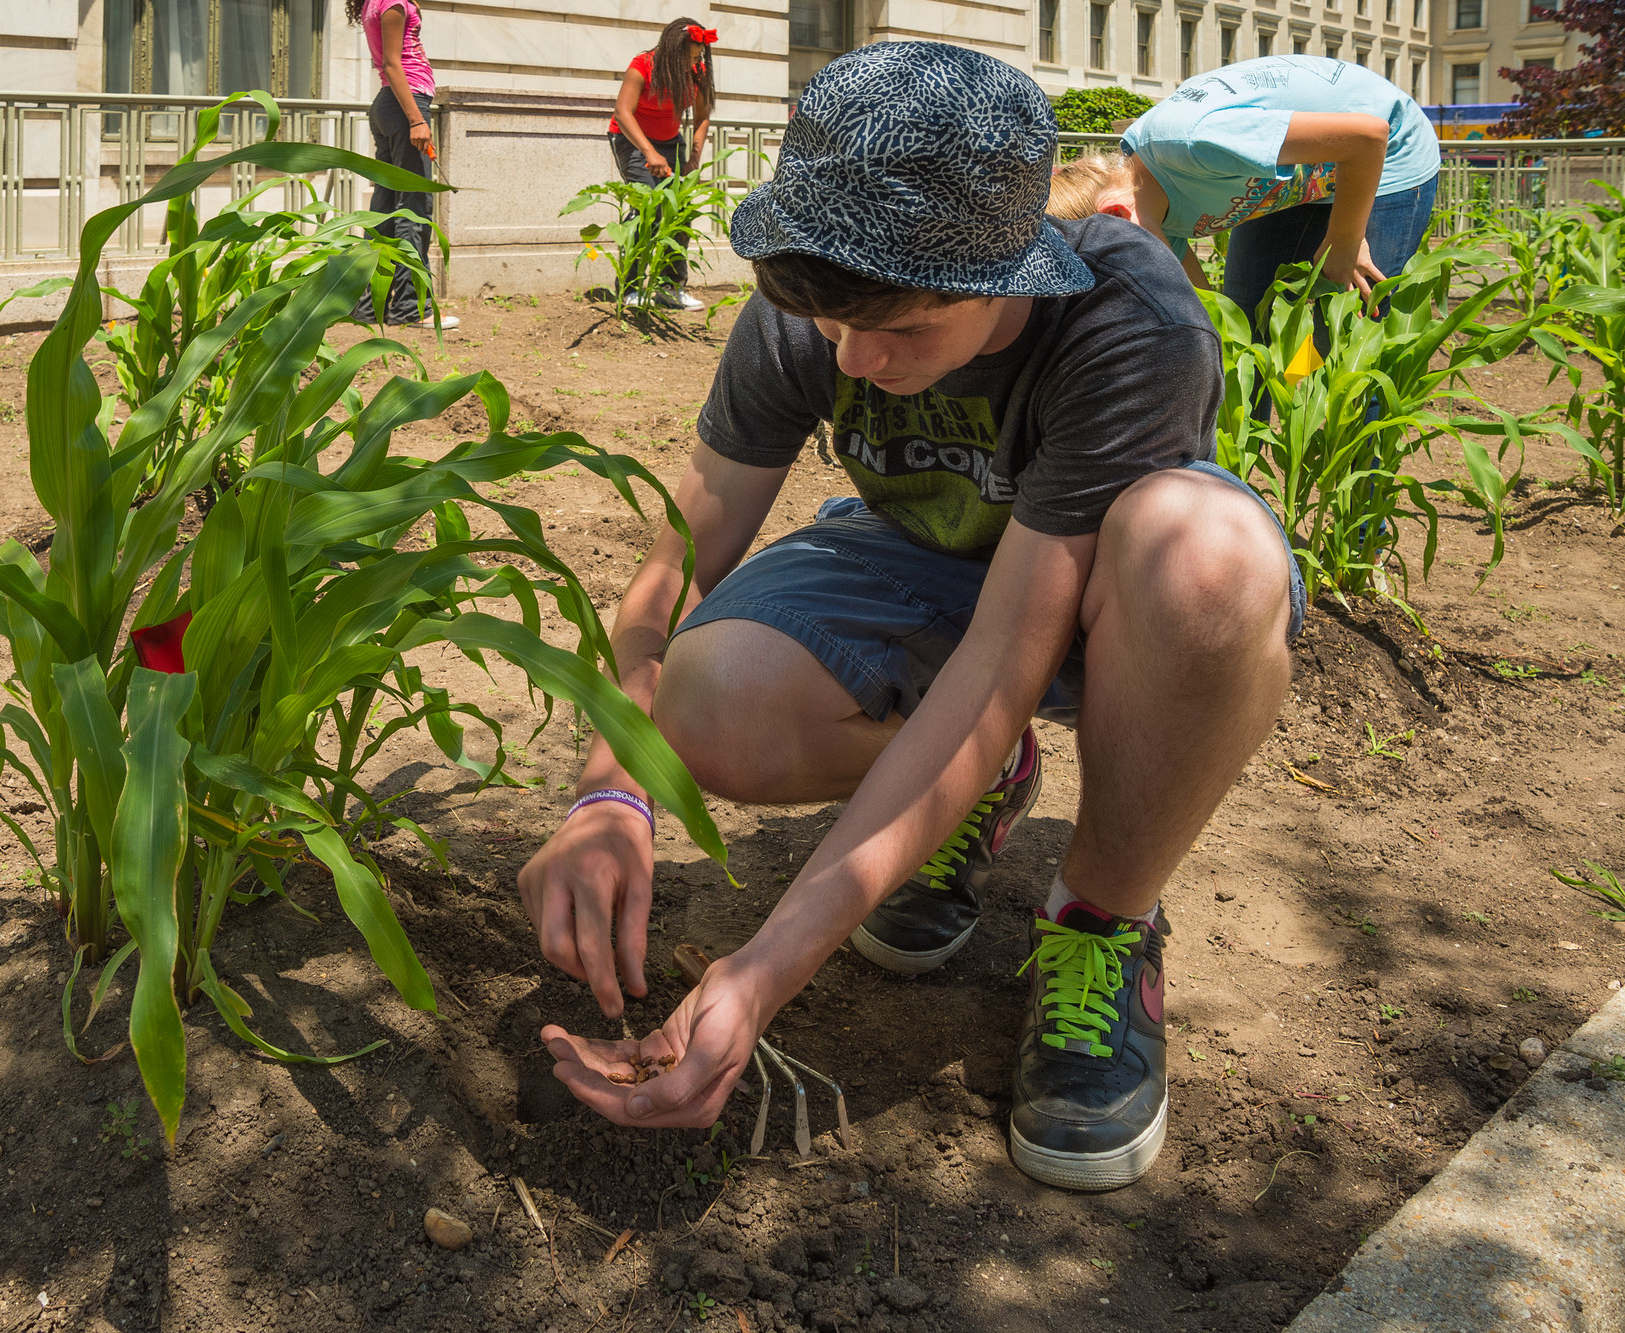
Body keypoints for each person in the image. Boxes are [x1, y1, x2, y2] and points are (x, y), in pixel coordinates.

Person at [518, 43, 1306, 1192]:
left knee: (1205, 560)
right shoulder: (815, 296)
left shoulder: (1125, 316)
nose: (854, 357)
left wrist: (762, 972)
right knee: (705, 699)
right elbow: (679, 560)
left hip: (1096, 597)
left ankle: (1099, 925)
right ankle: (967, 793)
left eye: (905, 332)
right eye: (830, 323)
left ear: (1011, 276)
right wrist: (607, 786)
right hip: (918, 560)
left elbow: (1001, 661)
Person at [1046, 55, 1440, 330]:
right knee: (1245, 323)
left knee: (1351, 332)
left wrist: (1345, 239)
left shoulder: (1193, 144)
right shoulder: (1152, 215)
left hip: (1386, 155)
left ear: (1116, 217)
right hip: (1291, 180)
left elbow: (1368, 137)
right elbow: (1207, 312)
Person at [346, 0, 457, 331]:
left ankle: (369, 306)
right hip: (404, 104)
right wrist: (416, 119)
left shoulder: (375, 3)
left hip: (389, 106)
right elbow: (393, 64)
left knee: (384, 209)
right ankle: (411, 307)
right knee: (414, 209)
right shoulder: (393, 3)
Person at [606, 18, 717, 310]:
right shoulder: (643, 65)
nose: (692, 63)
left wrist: (694, 156)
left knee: (679, 211)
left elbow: (702, 117)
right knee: (649, 207)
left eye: (697, 57)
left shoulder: (696, 72)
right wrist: (649, 153)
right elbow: (622, 113)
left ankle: (670, 288)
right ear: (671, 48)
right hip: (631, 139)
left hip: (670, 142)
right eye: (688, 56)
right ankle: (629, 289)